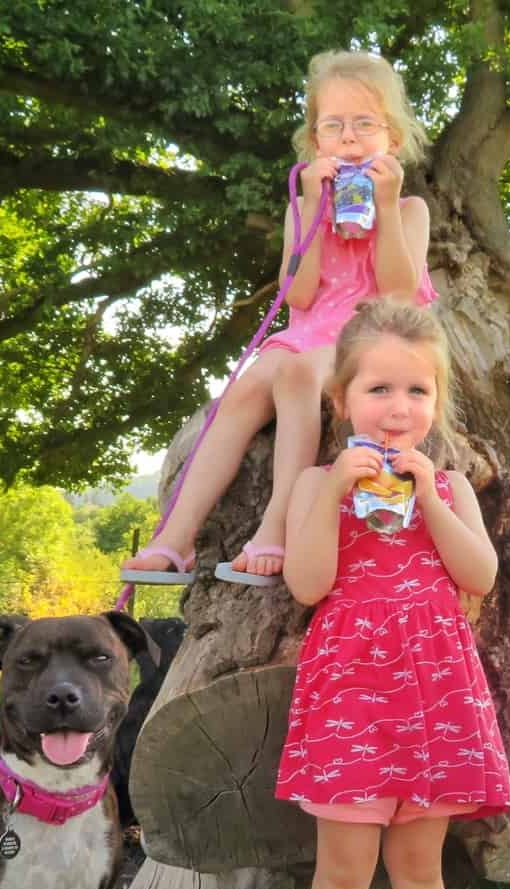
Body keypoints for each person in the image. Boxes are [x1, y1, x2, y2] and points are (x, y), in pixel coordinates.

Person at [276, 298, 510, 889]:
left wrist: (433, 497)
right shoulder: (318, 481)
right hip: (352, 689)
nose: (397, 408)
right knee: (343, 870)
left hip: (435, 691)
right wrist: (332, 490)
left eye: (416, 391)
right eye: (378, 389)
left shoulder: (449, 485)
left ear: (435, 404)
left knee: (420, 866)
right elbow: (308, 585)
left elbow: (477, 576)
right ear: (341, 400)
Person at [120, 49, 436, 587]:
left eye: (365, 124)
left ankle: (279, 524)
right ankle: (175, 538)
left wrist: (382, 207)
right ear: (315, 142)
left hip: (376, 332)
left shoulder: (409, 211)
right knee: (242, 393)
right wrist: (312, 208)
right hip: (313, 327)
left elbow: (399, 294)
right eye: (333, 126)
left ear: (394, 140)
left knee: (295, 374)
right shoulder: (302, 210)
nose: (350, 139)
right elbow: (303, 293)